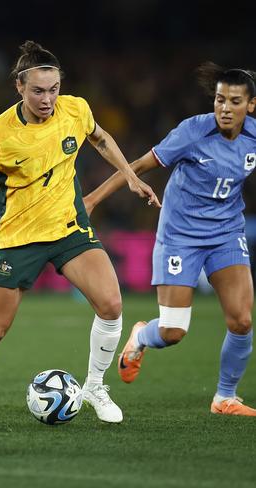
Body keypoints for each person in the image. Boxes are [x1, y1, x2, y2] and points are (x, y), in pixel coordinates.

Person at [0, 41, 159, 425]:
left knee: (112, 305)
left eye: (54, 89)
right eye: (38, 91)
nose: (48, 98)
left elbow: (99, 138)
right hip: (18, 238)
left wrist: (130, 176)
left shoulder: (75, 108)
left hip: (68, 227)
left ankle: (95, 386)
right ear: (19, 87)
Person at [84, 62, 256, 416]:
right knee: (174, 332)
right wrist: (93, 199)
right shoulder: (192, 132)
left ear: (250, 106)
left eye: (234, 101)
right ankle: (141, 336)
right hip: (180, 236)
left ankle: (225, 397)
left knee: (241, 320)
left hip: (226, 233)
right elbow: (139, 165)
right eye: (220, 99)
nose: (225, 108)